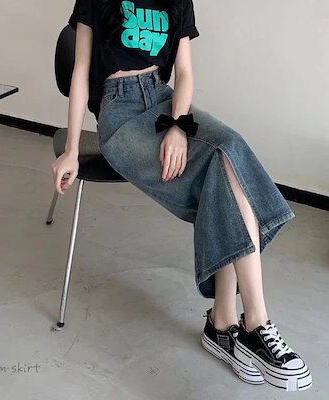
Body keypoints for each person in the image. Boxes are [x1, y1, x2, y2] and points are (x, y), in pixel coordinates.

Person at [51, 0, 312, 391]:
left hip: (163, 98)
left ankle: (227, 322)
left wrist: (178, 125)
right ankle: (249, 324)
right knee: (222, 168)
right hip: (119, 115)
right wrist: (72, 149)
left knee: (228, 153)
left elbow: (185, 72)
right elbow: (81, 71)